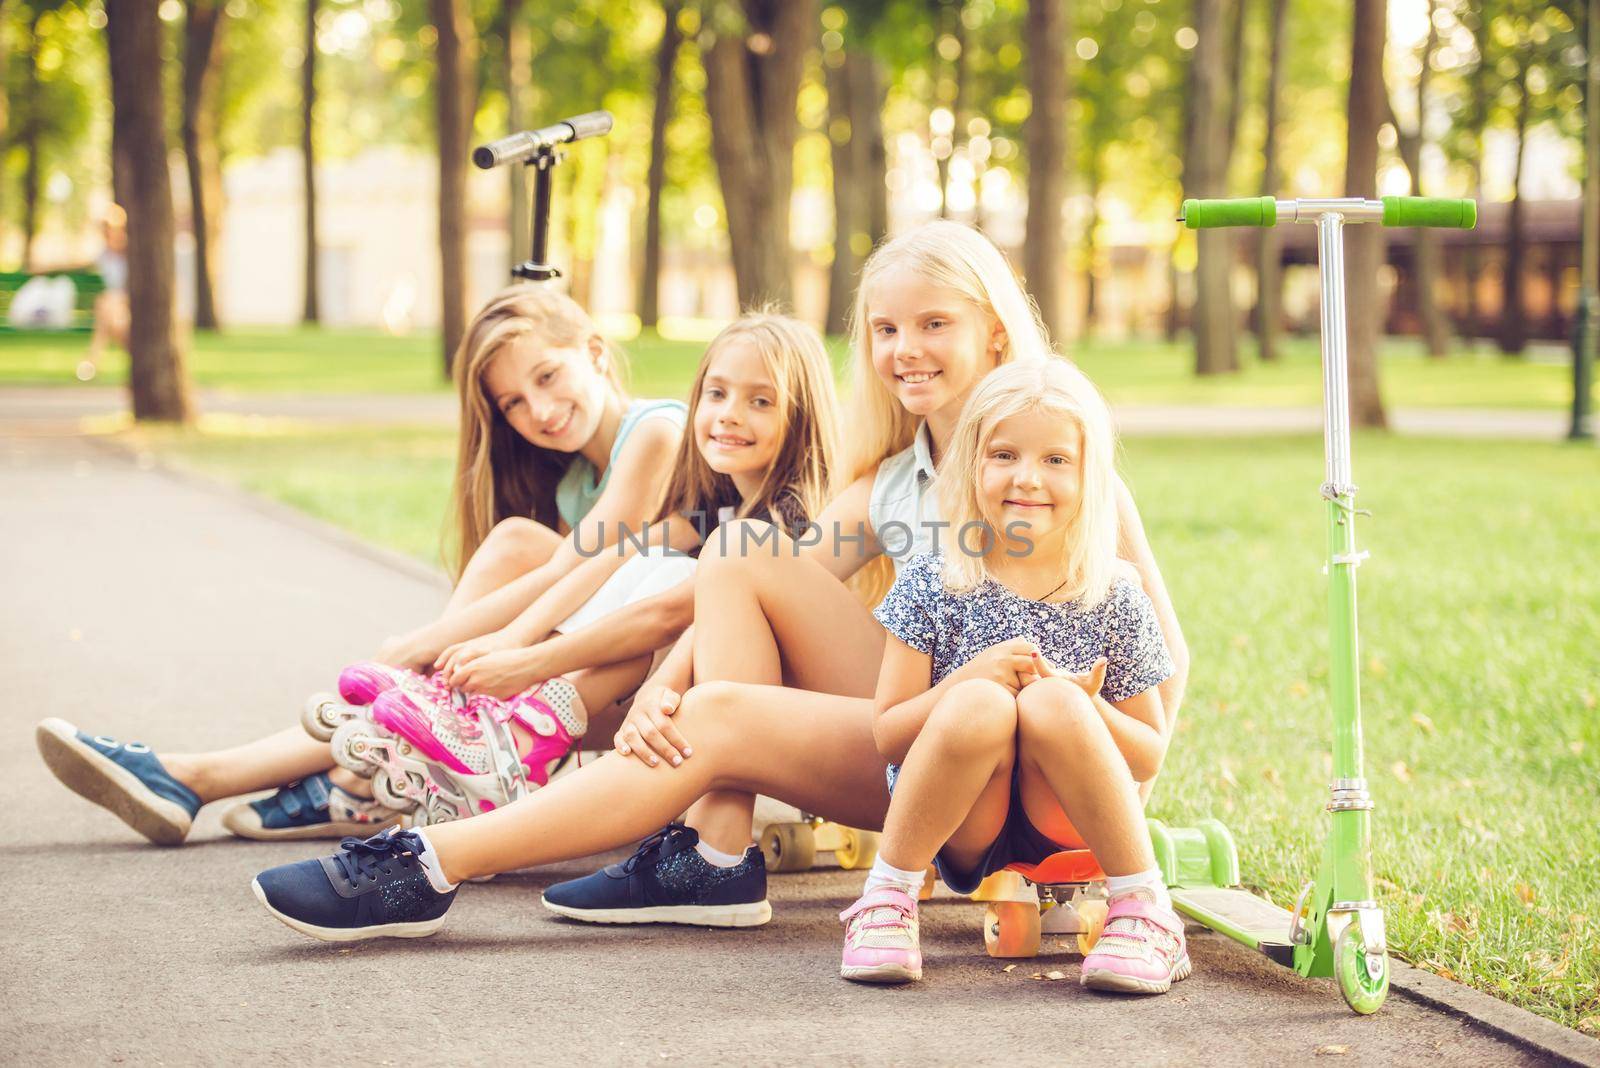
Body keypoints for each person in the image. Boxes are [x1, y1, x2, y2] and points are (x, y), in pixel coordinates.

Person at [247, 220, 1189, 942]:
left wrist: (1097, 782)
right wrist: (663, 685)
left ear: (995, 333)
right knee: (738, 554)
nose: (905, 347)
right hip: (926, 751)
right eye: (886, 327)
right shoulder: (892, 480)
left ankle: (428, 868)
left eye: (935, 324)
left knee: (719, 715)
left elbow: (1161, 659)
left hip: (1026, 785)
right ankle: (714, 850)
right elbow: (741, 587)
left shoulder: (1050, 463)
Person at [36, 284, 685, 844]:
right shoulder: (577, 480)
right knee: (514, 547)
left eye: (546, 376)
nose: (537, 411)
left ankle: (251, 775)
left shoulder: (656, 432)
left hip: (661, 689)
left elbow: (571, 576)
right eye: (512, 402)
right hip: (605, 675)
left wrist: (423, 644)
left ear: (595, 352)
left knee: (517, 552)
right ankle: (335, 768)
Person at [320, 311, 841, 828]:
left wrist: (527, 664)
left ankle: (516, 748)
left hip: (791, 717)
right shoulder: (714, 503)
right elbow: (612, 558)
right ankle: (471, 727)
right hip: (699, 689)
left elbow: (663, 615)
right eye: (717, 394)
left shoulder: (791, 521)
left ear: (800, 415)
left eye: (761, 401)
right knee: (644, 562)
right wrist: (509, 640)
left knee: (660, 582)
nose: (729, 414)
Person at [838, 358, 1186, 995]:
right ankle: (887, 898)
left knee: (1054, 703)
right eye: (1005, 455)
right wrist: (964, 681)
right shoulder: (933, 578)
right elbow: (888, 735)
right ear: (973, 463)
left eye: (1056, 460)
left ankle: (1143, 907)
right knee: (979, 705)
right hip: (964, 822)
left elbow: (1149, 753)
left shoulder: (1113, 594)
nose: (1028, 478)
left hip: (1066, 819)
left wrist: (1088, 706)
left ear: (1091, 477)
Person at [81, 205, 129, 381]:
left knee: (106, 306)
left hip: (128, 302)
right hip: (114, 307)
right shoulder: (104, 254)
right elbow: (82, 263)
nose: (107, 233)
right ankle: (93, 361)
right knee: (106, 310)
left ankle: (92, 361)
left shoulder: (129, 252)